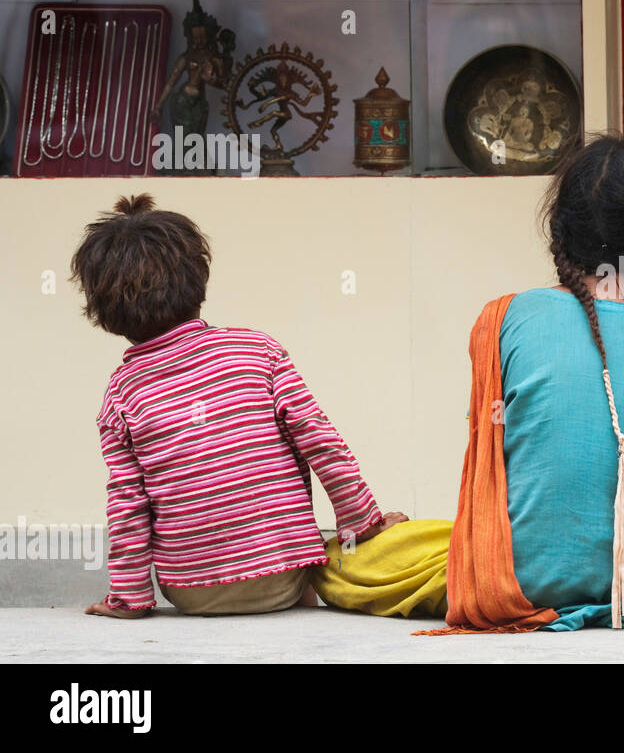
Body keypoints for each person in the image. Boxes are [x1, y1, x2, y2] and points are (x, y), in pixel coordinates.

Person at [313, 135, 624, 631]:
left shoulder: (506, 318)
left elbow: (500, 451)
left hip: (521, 582)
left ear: (562, 233)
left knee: (351, 558)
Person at [72, 194, 405, 618]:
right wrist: (361, 522)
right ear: (197, 279)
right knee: (305, 587)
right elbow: (320, 441)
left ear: (104, 310)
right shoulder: (256, 351)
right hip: (285, 575)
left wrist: (131, 598)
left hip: (189, 590)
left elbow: (126, 503)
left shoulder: (121, 394)